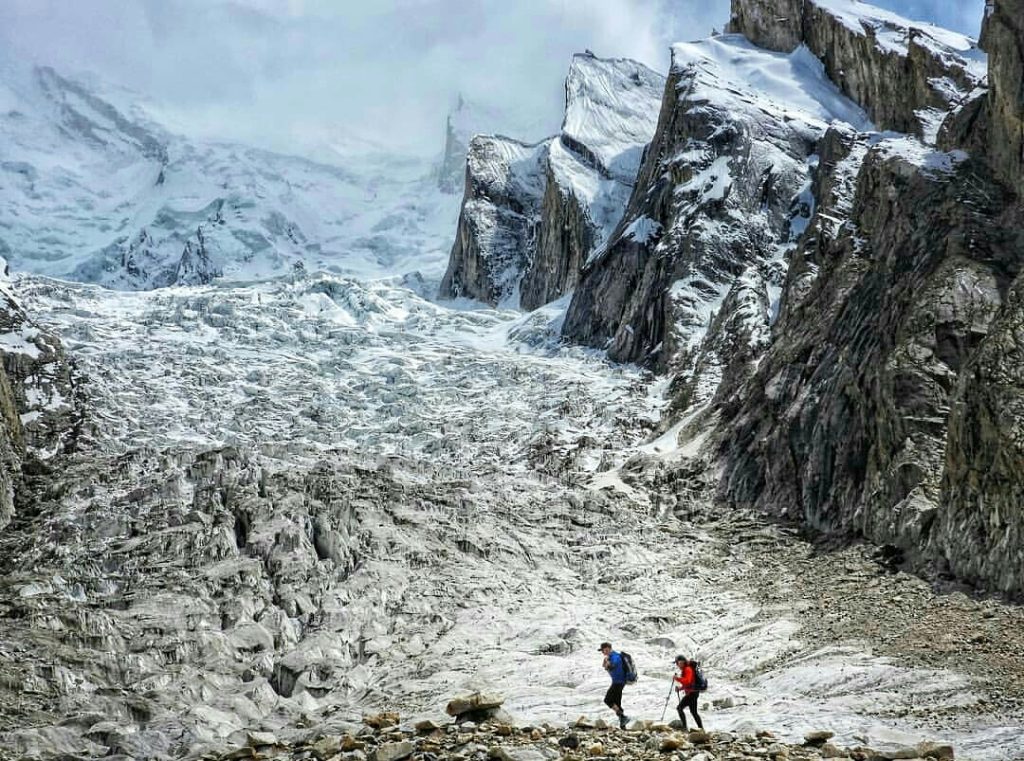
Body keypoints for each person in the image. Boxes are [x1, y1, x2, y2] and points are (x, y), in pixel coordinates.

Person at [598, 642, 630, 729]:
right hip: (618, 682)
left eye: (603, 650)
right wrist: (606, 662)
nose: (603, 653)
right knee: (617, 703)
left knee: (608, 700)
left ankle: (624, 717)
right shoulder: (612, 656)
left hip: (618, 682)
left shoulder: (615, 656)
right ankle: (623, 726)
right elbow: (606, 667)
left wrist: (607, 661)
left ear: (607, 648)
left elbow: (612, 666)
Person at [673, 655, 704, 731]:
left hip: (692, 693)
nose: (677, 665)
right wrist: (680, 688)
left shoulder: (687, 669)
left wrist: (677, 678)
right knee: (693, 712)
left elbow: (688, 681)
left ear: (682, 662)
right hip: (693, 692)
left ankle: (684, 728)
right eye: (676, 663)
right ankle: (701, 729)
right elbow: (688, 684)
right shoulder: (687, 669)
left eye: (678, 663)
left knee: (679, 708)